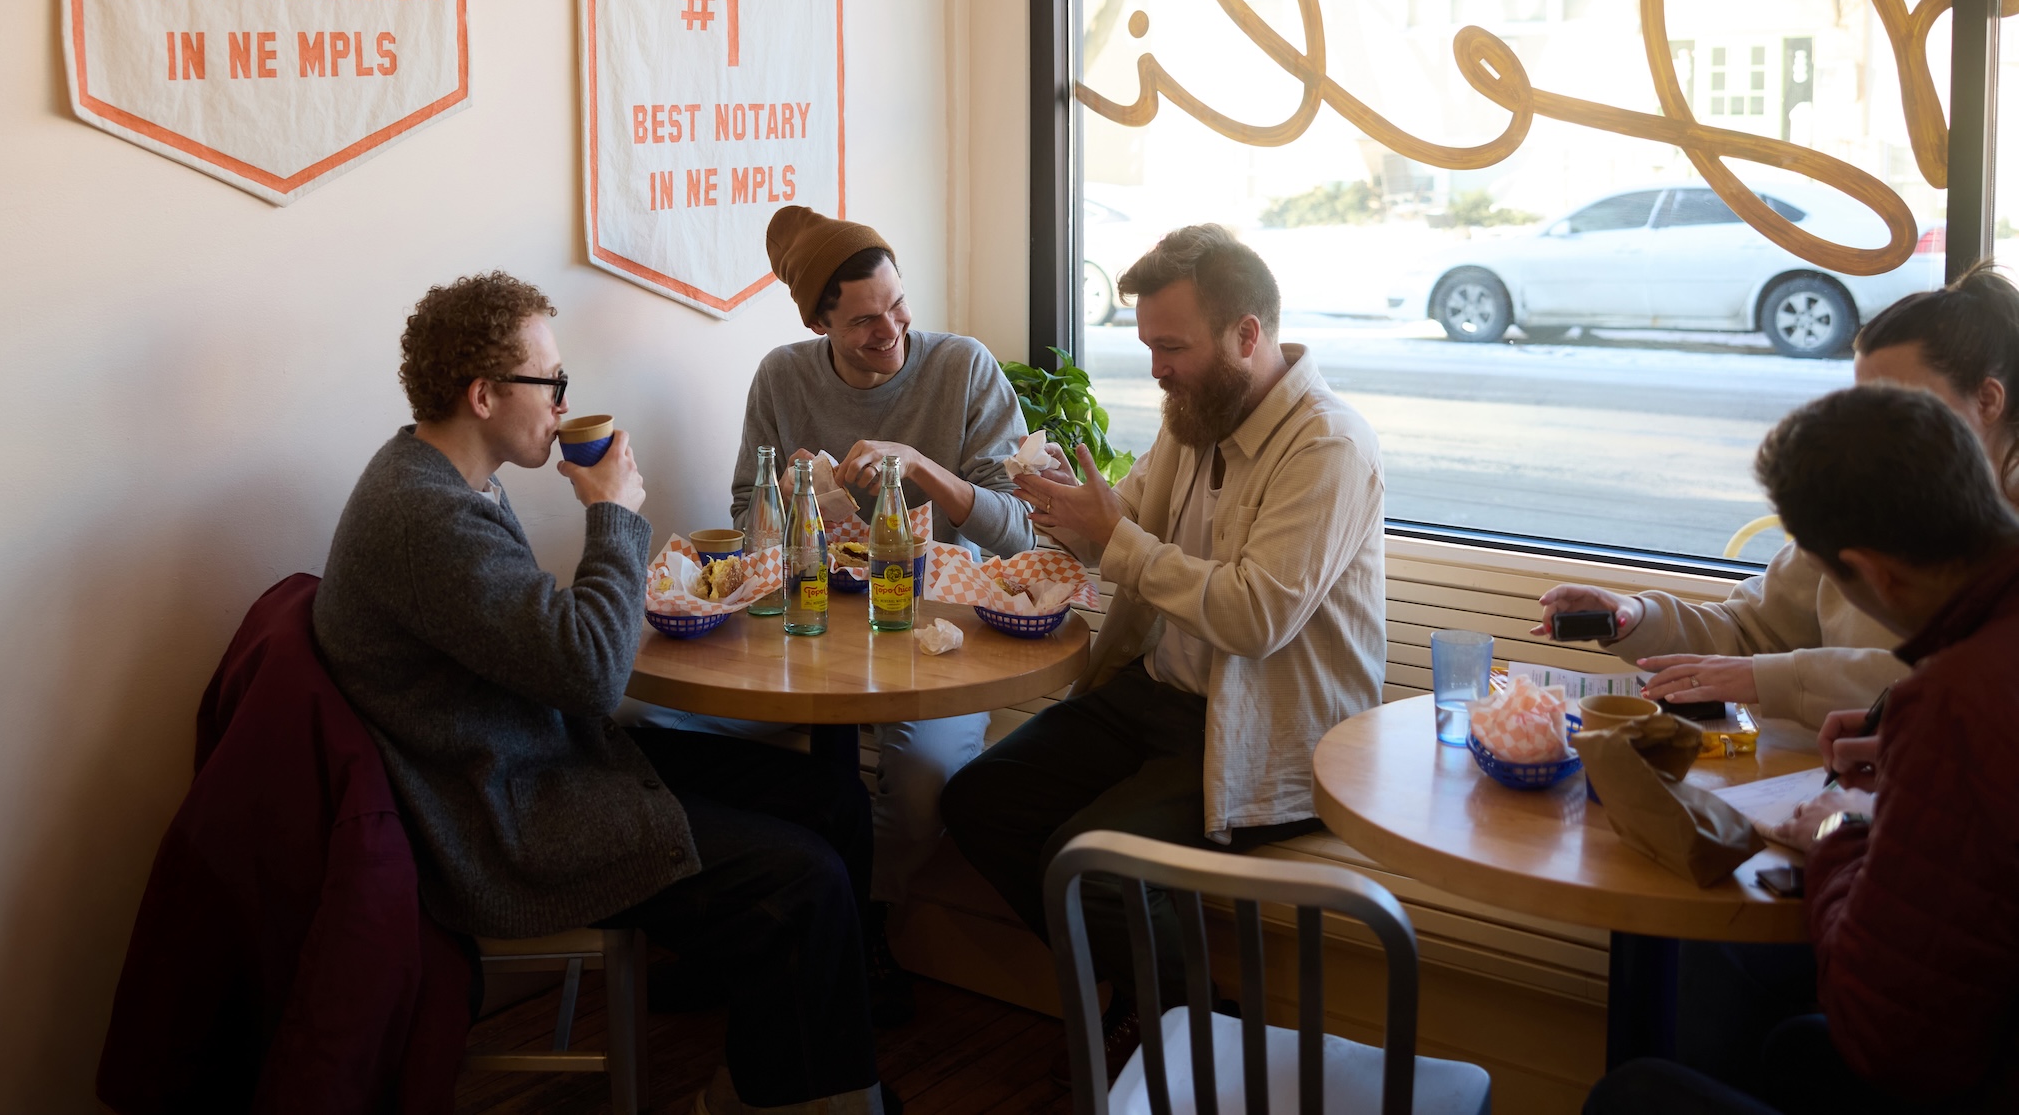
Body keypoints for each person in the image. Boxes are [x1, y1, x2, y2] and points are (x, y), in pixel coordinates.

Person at [312, 273, 886, 1115]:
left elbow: (551, 652)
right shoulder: (424, 514)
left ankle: (813, 1068)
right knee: (802, 879)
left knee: (832, 798)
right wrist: (612, 515)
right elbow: (589, 673)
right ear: (482, 394)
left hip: (542, 756)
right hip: (507, 812)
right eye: (551, 383)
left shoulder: (444, 479)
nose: (562, 402)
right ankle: (769, 1096)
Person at [940, 224, 1385, 1046]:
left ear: (1247, 334)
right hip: (1158, 696)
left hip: (1269, 730)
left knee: (1095, 865)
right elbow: (1123, 530)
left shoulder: (1328, 444)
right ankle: (1151, 1005)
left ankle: (1203, 1039)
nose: (1156, 368)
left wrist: (1115, 536)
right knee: (979, 801)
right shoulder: (1192, 416)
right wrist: (1067, 510)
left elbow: (1256, 616)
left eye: (1172, 345)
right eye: (1147, 344)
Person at [629, 204, 1035, 1022]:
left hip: (938, 633)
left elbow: (1018, 526)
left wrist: (920, 465)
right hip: (804, 634)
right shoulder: (784, 376)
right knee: (640, 716)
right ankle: (744, 922)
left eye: (897, 306)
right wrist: (785, 504)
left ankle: (859, 927)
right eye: (861, 320)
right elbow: (745, 517)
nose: (888, 329)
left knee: (922, 780)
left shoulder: (963, 369)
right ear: (820, 323)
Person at [1583, 383, 2019, 1115]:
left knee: (1631, 1095)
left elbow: (1887, 1036)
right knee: (1786, 1043)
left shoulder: (1958, 702)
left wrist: (1838, 827)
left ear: (1873, 573)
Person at [1537, 266, 2019, 742]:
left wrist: (1770, 679)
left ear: (1988, 400)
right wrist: (1636, 616)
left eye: (1902, 402)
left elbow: (1958, 681)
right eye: (1863, 400)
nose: (1873, 424)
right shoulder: (1867, 501)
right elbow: (1754, 628)